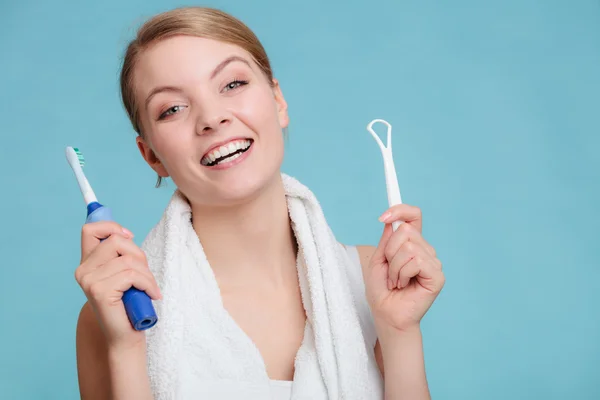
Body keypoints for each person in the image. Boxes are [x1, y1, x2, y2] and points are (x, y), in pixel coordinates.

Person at [74, 6, 445, 400]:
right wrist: (127, 348)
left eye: (232, 84)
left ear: (278, 100)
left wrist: (400, 332)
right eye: (172, 109)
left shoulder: (375, 278)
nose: (212, 117)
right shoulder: (116, 311)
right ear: (151, 156)